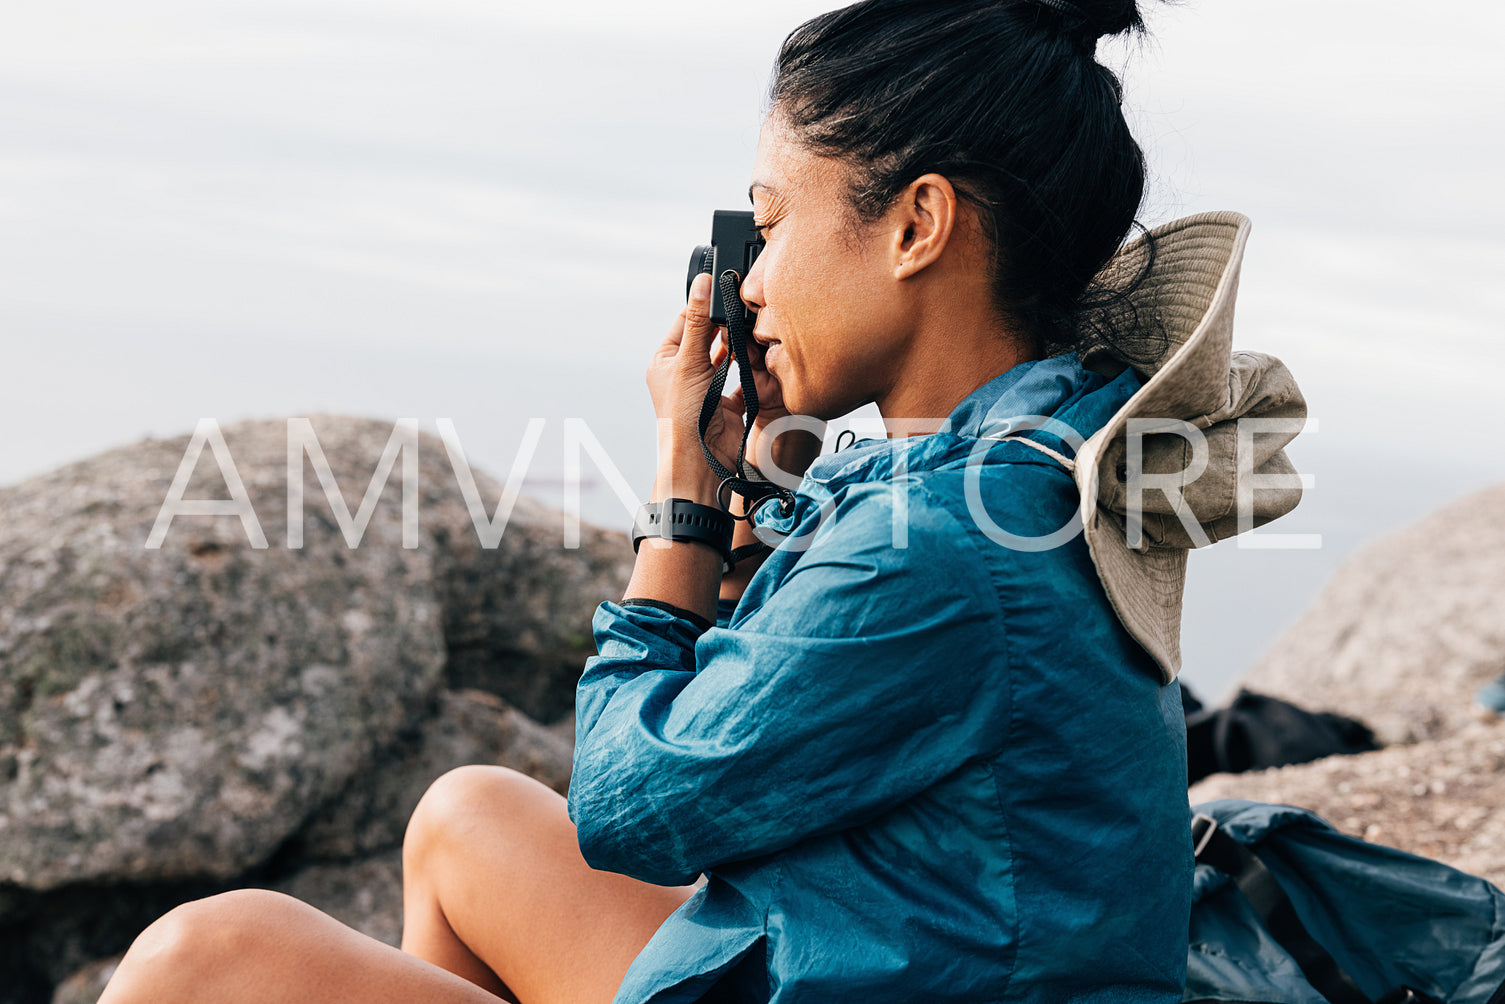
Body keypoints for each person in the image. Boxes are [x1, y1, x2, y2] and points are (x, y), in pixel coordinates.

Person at [100, 0, 1307, 1001]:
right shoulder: (1033, 450)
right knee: (466, 813)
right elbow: (840, 697)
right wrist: (764, 506)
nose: (755, 278)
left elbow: (627, 809)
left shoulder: (933, 541)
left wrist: (681, 506)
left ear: (917, 225)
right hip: (896, 954)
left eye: (771, 223)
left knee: (205, 958)